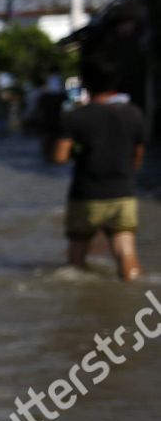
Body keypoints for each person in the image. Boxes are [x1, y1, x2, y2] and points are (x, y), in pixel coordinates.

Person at [53, 58, 146, 281]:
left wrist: (79, 151)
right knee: (125, 250)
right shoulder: (134, 114)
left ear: (86, 83)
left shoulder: (75, 117)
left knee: (77, 257)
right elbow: (138, 156)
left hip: (87, 194)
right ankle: (136, 295)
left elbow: (59, 157)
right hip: (124, 193)